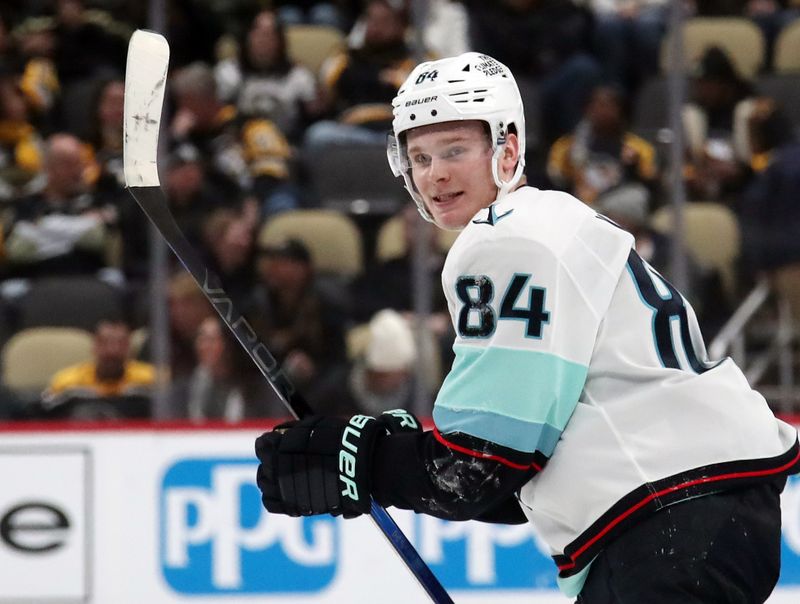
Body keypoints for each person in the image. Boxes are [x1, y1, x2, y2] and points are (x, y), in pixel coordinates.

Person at [255, 52, 800, 602]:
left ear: (507, 148)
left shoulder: (506, 239)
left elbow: (480, 465)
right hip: (701, 508)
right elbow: (512, 479)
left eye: (454, 150)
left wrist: (361, 458)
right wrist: (393, 458)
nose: (435, 172)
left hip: (667, 514)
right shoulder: (551, 222)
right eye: (419, 157)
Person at [39, 318, 156, 419]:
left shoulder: (151, 380)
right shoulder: (68, 383)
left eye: (121, 343)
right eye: (104, 343)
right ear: (94, 346)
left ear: (130, 348)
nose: (112, 351)